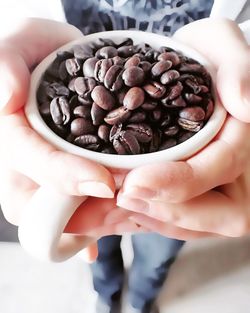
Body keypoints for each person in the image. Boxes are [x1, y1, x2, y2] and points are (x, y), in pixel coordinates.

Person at [0, 1, 249, 313]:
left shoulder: (169, 91)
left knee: (157, 255)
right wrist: (17, 34)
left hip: (178, 193)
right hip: (88, 190)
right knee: (97, 250)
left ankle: (142, 300)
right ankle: (107, 296)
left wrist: (241, 47)